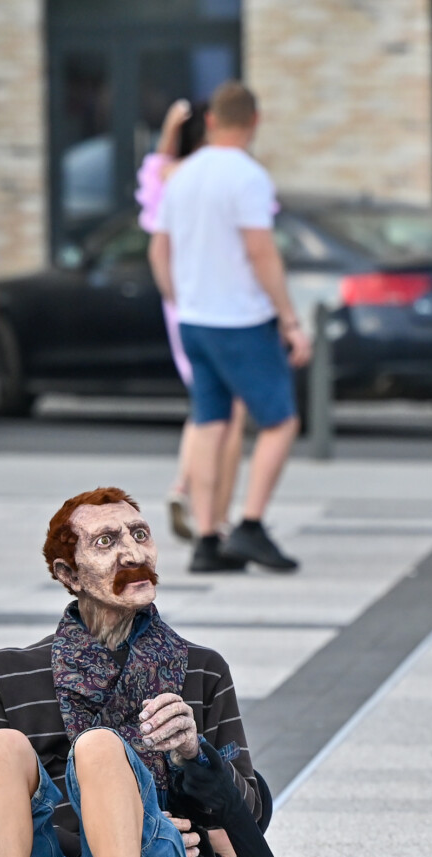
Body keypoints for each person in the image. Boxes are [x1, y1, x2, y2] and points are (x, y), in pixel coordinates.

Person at [0, 487, 296, 857]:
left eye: (140, 534)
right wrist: (135, 826)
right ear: (68, 574)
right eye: (106, 541)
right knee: (0, 748)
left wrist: (194, 754)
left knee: (99, 747)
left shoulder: (202, 670)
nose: (132, 552)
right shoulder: (5, 673)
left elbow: (246, 819)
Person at [149, 81, 312, 574]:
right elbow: (260, 250)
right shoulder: (248, 176)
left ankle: (207, 539)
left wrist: (179, 298)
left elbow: (159, 250)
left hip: (195, 319)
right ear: (255, 122)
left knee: (210, 424)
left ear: (212, 120)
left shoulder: (181, 175)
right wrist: (289, 318)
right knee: (281, 421)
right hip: (240, 319)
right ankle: (251, 525)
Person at [135, 100, 247, 543]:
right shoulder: (218, 176)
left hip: (183, 304)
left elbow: (154, 175)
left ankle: (190, 491)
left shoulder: (170, 177)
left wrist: (168, 131)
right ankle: (207, 506)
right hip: (219, 303)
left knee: (205, 399)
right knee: (222, 408)